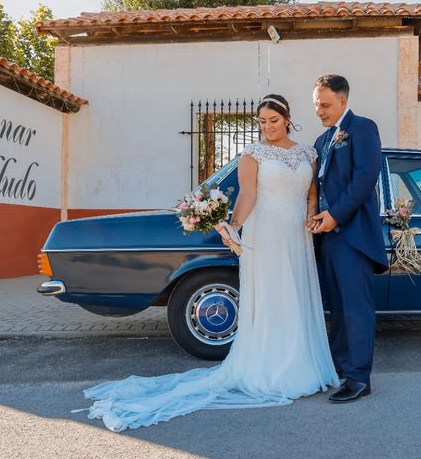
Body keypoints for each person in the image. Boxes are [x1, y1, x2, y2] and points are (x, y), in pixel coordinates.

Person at [76, 94, 339, 432]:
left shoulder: (308, 153)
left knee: (297, 296)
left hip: (297, 235)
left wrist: (310, 218)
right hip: (266, 234)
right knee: (272, 298)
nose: (267, 128)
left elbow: (312, 193)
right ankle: (272, 370)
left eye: (273, 121)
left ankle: (302, 365)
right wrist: (235, 227)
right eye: (261, 122)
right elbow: (247, 194)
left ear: (287, 119)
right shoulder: (252, 154)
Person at [310, 74, 388, 403]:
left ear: (343, 100)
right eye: (316, 105)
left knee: (356, 310)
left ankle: (359, 378)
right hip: (326, 238)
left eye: (325, 104)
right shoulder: (320, 141)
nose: (319, 111)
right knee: (338, 310)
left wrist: (335, 216)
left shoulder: (362, 128)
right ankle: (342, 370)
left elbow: (365, 178)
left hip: (352, 235)